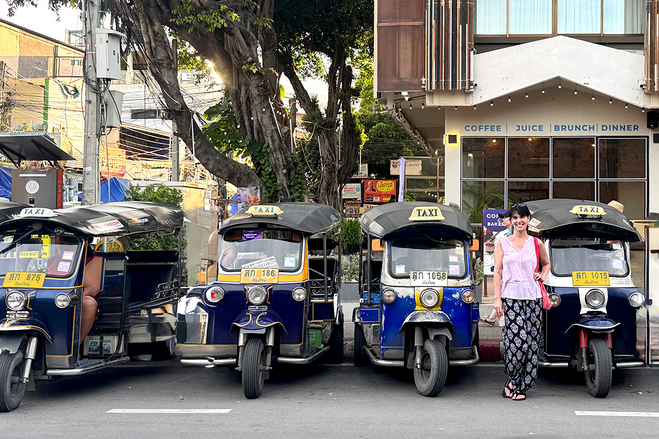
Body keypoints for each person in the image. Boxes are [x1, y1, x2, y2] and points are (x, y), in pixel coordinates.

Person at [493, 203, 550, 401]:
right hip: (511, 297)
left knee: (532, 343)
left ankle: (520, 386)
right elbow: (498, 272)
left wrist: (542, 275)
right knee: (519, 343)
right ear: (511, 220)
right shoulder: (503, 243)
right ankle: (512, 381)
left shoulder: (536, 243)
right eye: (515, 217)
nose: (519, 221)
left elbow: (547, 263)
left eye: (522, 217)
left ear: (528, 220)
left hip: (533, 298)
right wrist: (497, 299)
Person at [481, 211, 512, 325]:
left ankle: (494, 318)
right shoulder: (504, 233)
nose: (503, 220)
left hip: (506, 268)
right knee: (501, 293)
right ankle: (494, 317)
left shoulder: (512, 234)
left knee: (503, 292)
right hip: (501, 266)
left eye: (505, 218)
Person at [80, 244, 103, 343]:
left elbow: (92, 288)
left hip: (74, 298)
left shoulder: (90, 261)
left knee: (89, 304)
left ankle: (74, 346)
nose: (64, 243)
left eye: (69, 240)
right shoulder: (52, 260)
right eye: (62, 239)